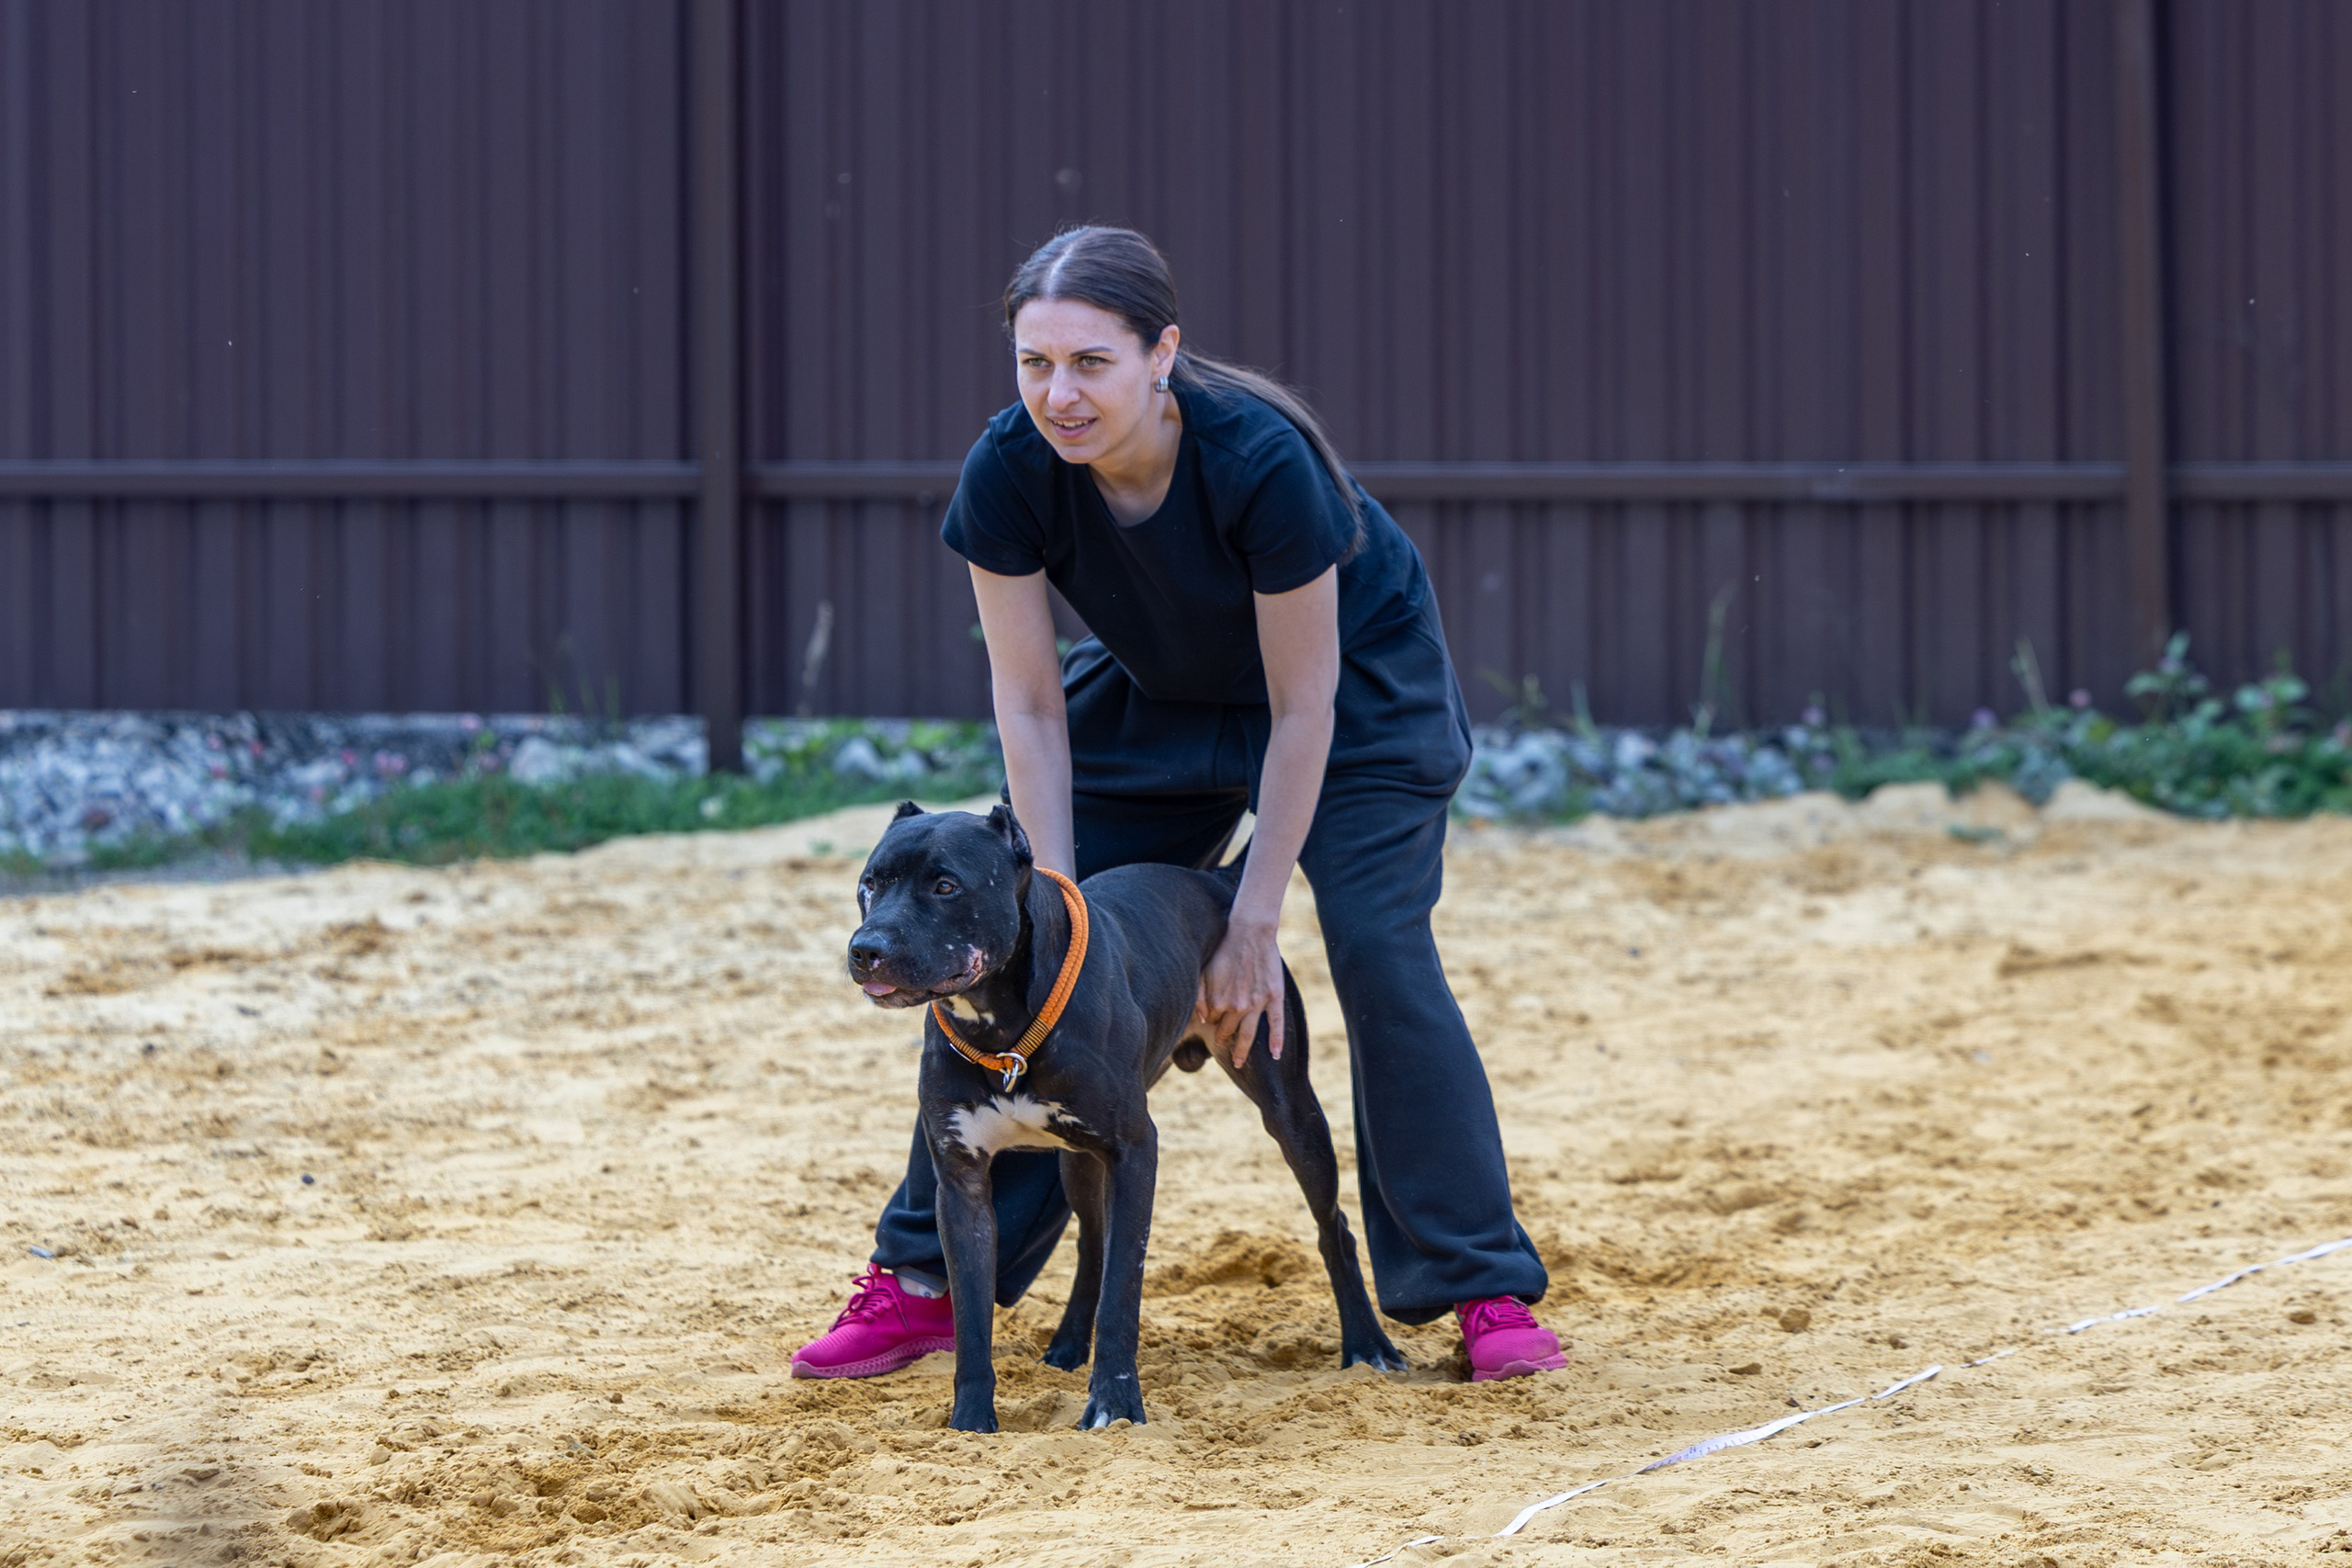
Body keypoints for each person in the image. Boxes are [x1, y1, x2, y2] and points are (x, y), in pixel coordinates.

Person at [792, 226, 1565, 1384]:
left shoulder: (1259, 459)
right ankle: (923, 1281)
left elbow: (1305, 713)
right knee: (1030, 976)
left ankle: (1481, 1289)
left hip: (1355, 698)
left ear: (1163, 353)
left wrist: (1252, 920)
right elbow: (1028, 701)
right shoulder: (1009, 467)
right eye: (1033, 362)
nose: (1059, 394)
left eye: (1090, 363)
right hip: (1157, 694)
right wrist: (1046, 902)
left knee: (1377, 954)